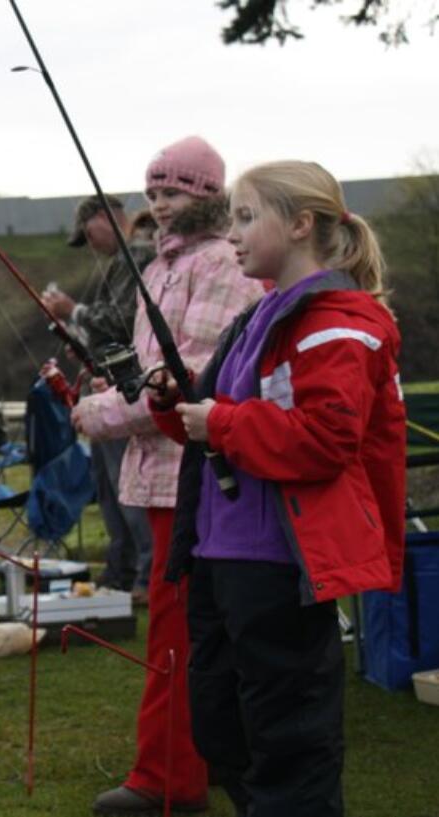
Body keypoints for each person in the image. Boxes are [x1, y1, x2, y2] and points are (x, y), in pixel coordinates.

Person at [149, 161, 405, 817]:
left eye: (245, 216)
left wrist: (224, 421)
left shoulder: (339, 322)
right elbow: (218, 427)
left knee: (290, 739)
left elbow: (324, 440)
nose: (231, 234)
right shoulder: (258, 316)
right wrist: (176, 405)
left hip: (279, 566)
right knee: (221, 725)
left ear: (300, 224)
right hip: (218, 557)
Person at [70, 136, 265, 815]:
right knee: (179, 625)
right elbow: (151, 376)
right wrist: (108, 386)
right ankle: (182, 770)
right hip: (159, 476)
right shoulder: (157, 268)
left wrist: (98, 411)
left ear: (207, 194)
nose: (159, 202)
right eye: (153, 191)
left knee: (181, 630)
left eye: (174, 191)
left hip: (198, 477)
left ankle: (169, 781)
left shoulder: (222, 267)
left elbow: (189, 383)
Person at [45, 194, 155, 597]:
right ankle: (121, 573)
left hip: (125, 391)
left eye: (87, 234)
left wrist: (71, 311)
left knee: (129, 487)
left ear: (102, 219)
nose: (88, 245)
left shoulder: (137, 257)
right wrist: (85, 344)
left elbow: (124, 322)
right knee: (111, 489)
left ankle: (145, 577)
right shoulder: (131, 259)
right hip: (110, 389)